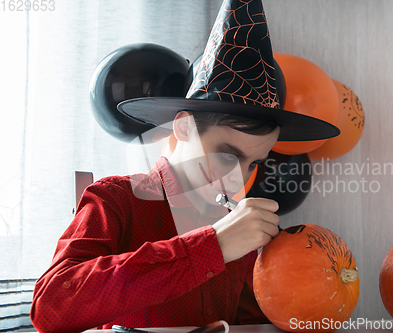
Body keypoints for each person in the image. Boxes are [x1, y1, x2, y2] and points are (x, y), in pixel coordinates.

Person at [30, 0, 340, 332]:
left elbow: (255, 322)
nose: (238, 179)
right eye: (228, 156)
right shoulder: (115, 200)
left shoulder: (240, 229)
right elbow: (50, 309)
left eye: (254, 164)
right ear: (183, 128)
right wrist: (212, 246)